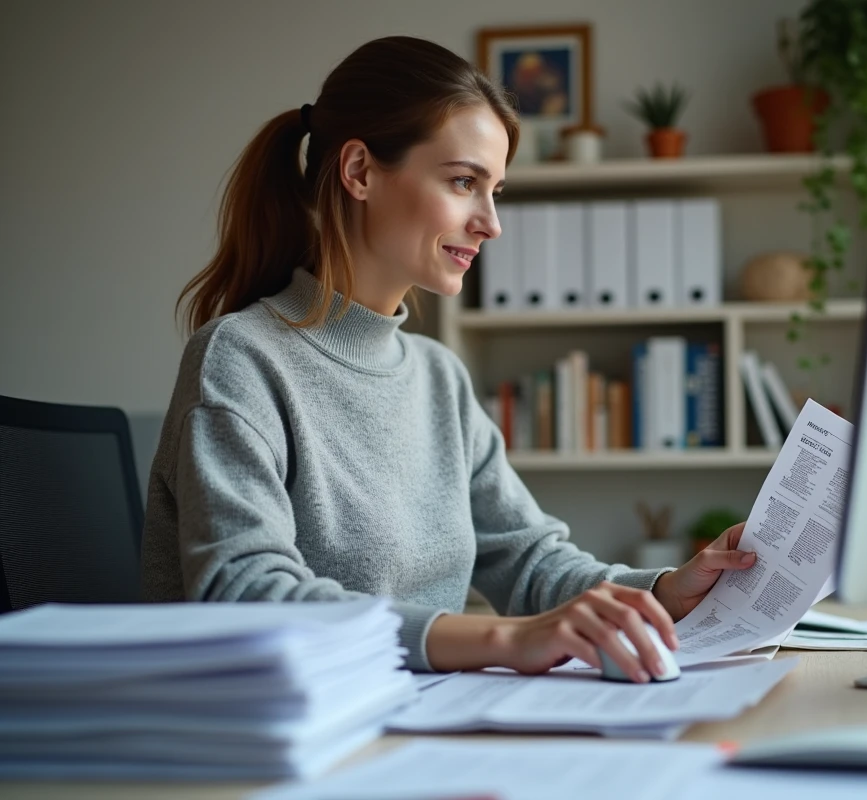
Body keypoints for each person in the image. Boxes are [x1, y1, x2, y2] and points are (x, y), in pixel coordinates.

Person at [141, 36, 756, 681]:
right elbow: (244, 592)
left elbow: (528, 559)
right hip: (273, 744)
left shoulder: (438, 376)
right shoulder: (240, 358)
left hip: (416, 720)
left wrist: (661, 593)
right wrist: (503, 639)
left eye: (495, 191)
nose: (490, 223)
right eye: (464, 182)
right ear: (359, 172)